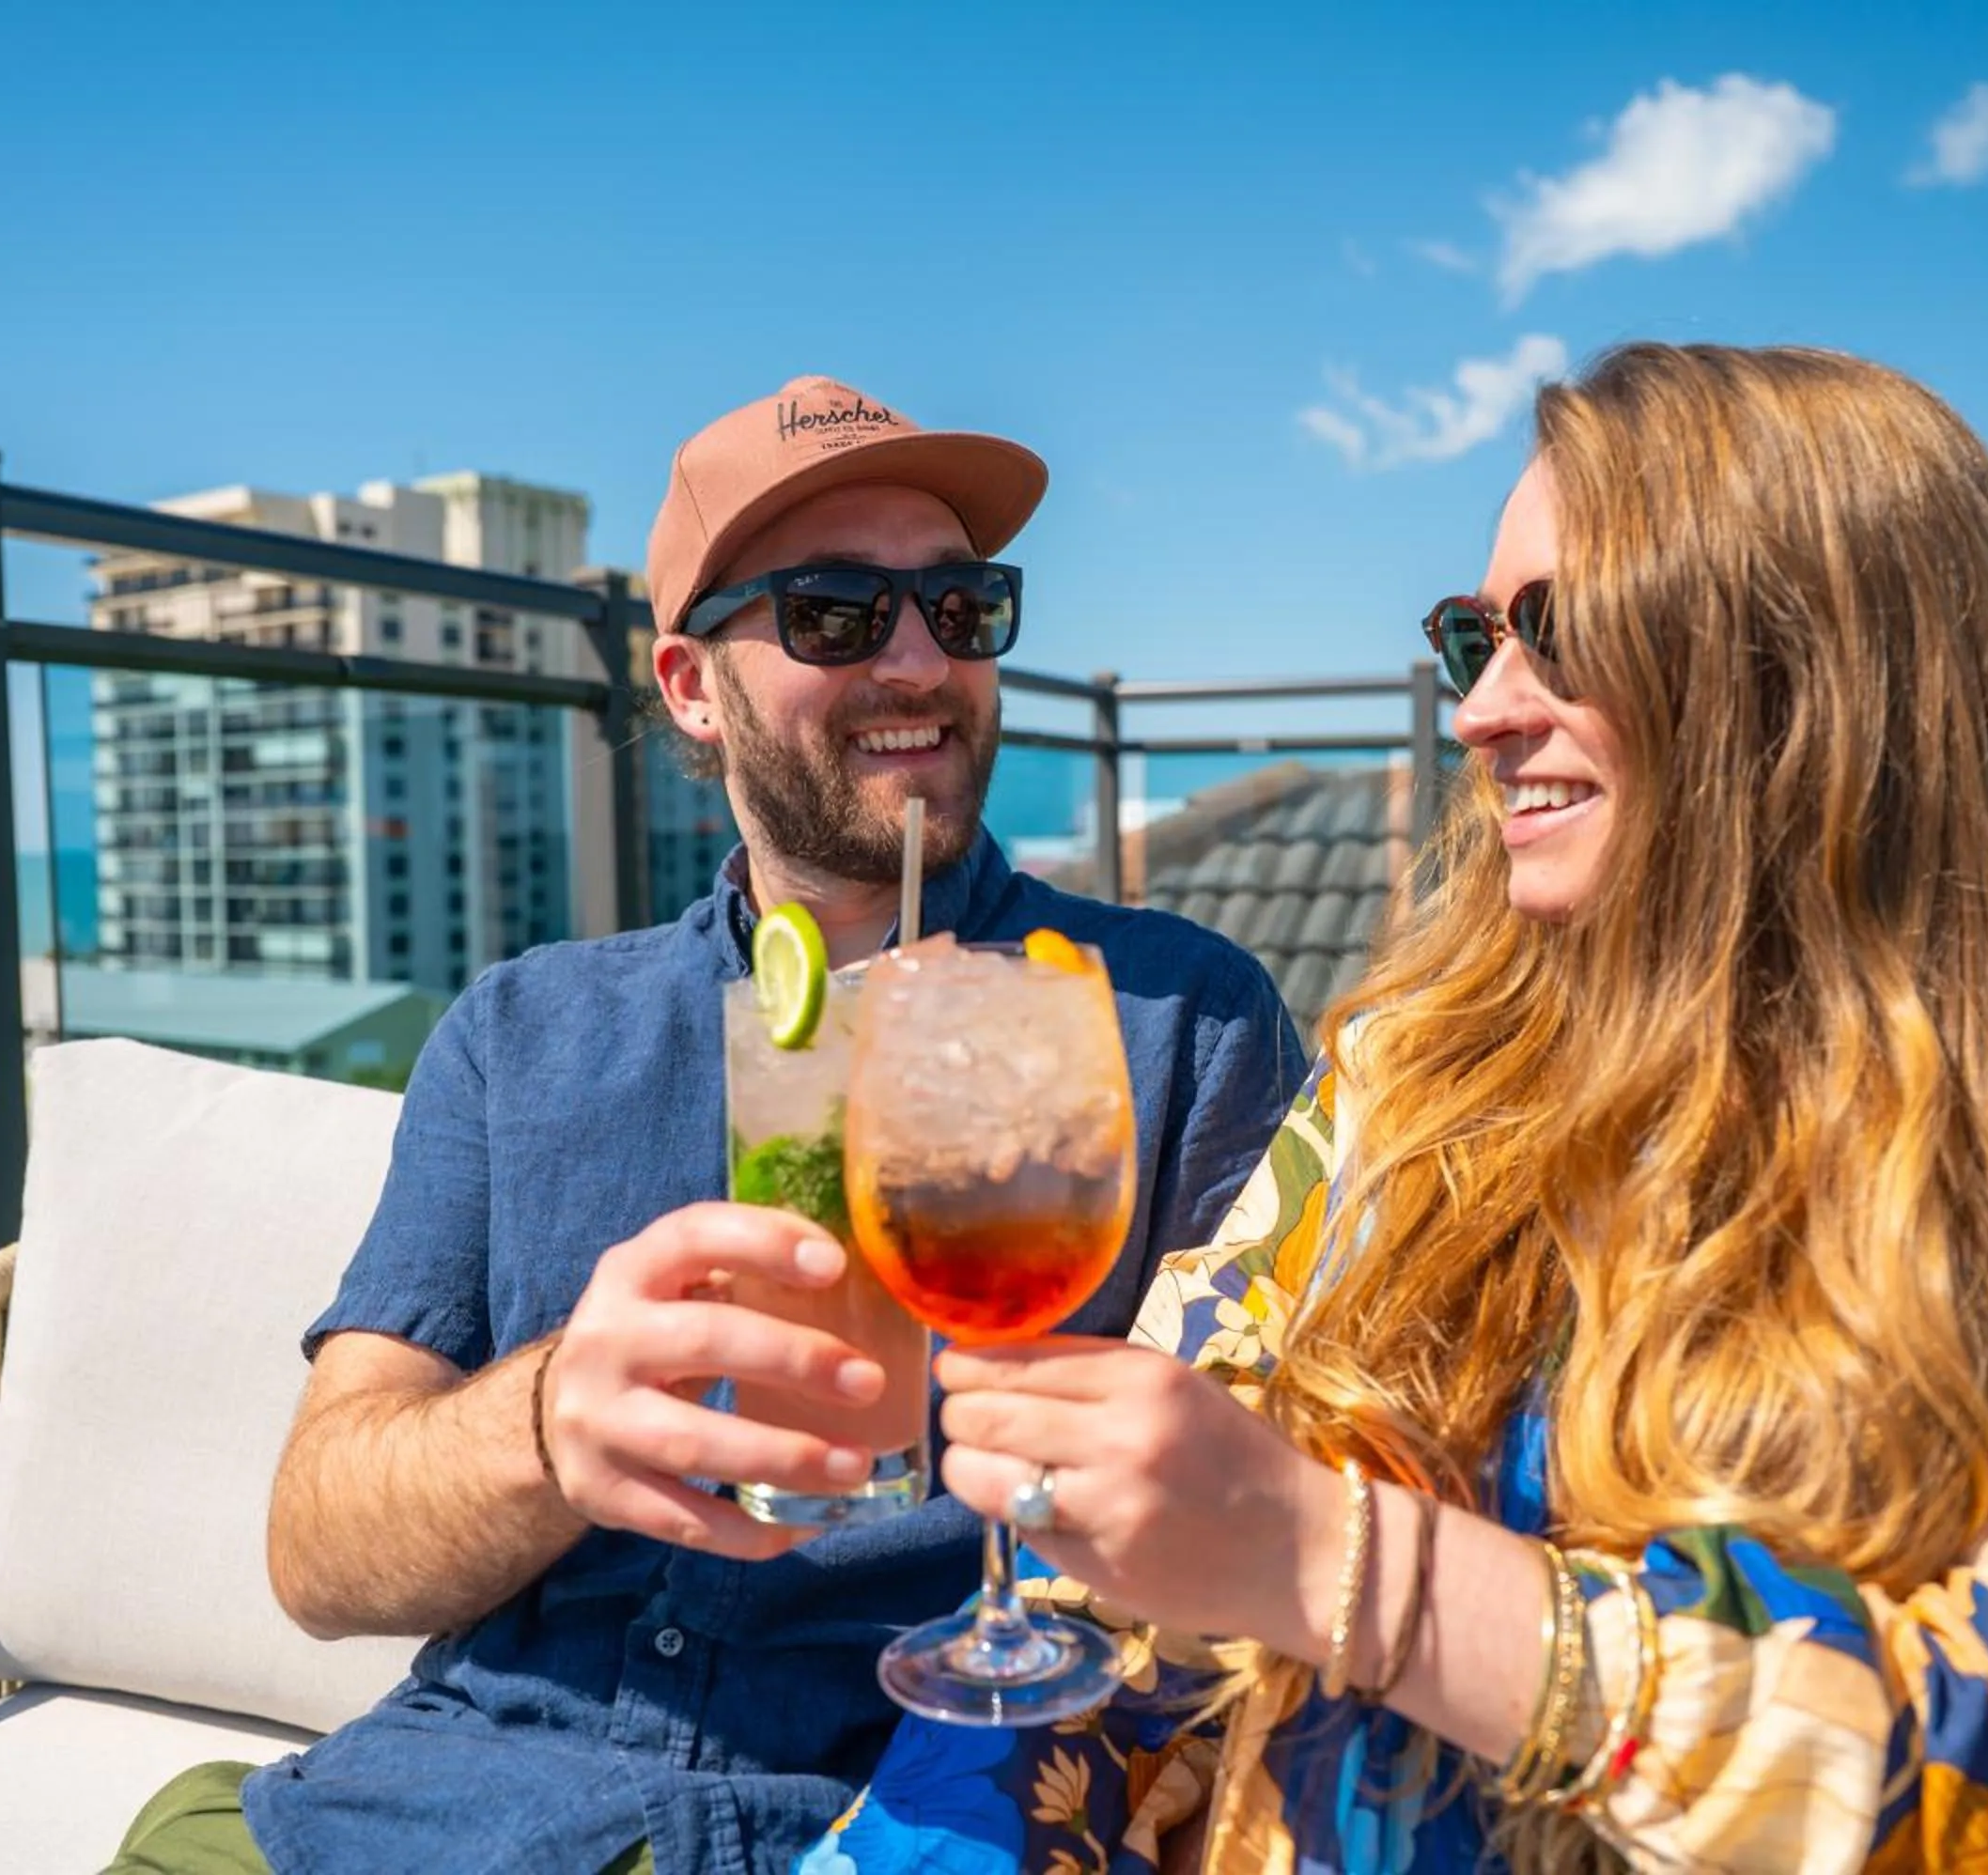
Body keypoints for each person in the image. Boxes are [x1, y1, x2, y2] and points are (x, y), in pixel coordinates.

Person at [806, 344, 1988, 1874]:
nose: (1483, 712)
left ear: (1824, 678)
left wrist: (1342, 1565)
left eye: (1561, 631)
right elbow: (1108, 1606)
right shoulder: (1399, 1094)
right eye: (1473, 639)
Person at [102, 377, 1304, 1875]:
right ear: (688, 685)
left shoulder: (1171, 1021)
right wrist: (548, 1424)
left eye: (960, 605)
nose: (919, 659)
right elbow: (319, 1551)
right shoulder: (522, 1033)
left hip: (891, 1815)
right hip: (432, 1810)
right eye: (834, 612)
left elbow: (1283, 1517)